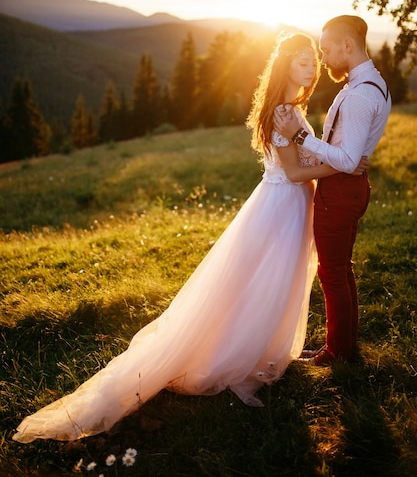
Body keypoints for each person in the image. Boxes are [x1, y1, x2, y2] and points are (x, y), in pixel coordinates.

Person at [13, 33, 365, 444]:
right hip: (282, 206)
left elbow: (305, 160)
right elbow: (294, 173)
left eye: (313, 60)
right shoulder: (284, 112)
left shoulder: (292, 110)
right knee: (267, 283)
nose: (312, 66)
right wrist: (343, 169)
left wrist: (332, 156)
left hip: (287, 205)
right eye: (303, 60)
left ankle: (264, 350)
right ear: (285, 64)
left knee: (275, 284)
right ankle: (237, 356)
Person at [274, 15, 391, 367]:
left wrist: (301, 138)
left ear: (347, 46)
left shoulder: (358, 95)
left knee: (332, 273)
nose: (323, 60)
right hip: (349, 188)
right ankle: (345, 344)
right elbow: (348, 155)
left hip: (339, 193)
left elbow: (346, 158)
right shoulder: (374, 83)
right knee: (341, 268)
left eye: (325, 50)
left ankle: (337, 352)